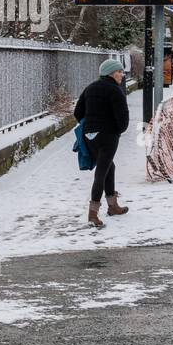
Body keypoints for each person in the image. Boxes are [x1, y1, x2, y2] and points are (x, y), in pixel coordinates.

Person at [73, 58, 130, 229]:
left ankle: (113, 206)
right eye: (119, 72)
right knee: (102, 171)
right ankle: (93, 213)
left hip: (89, 135)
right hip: (107, 136)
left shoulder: (90, 88)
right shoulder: (115, 90)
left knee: (109, 167)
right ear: (111, 73)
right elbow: (122, 117)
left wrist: (90, 124)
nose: (122, 75)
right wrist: (118, 130)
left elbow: (78, 112)